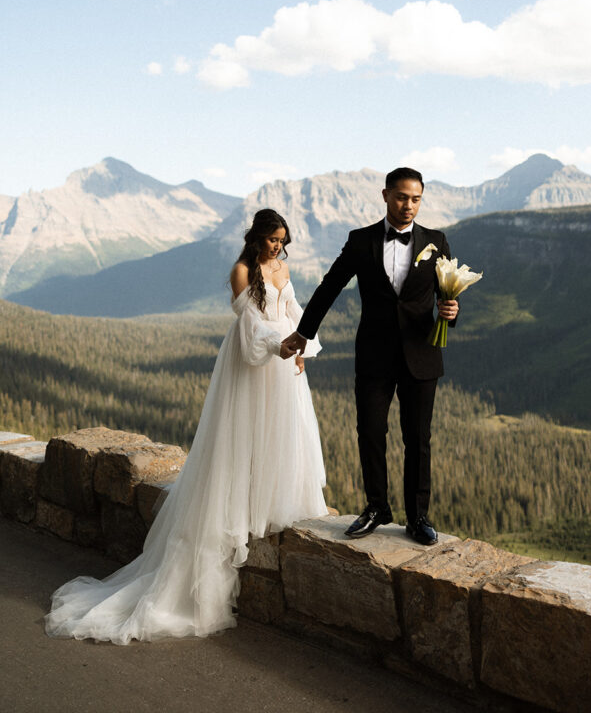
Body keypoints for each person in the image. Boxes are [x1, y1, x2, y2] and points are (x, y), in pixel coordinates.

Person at [44, 209, 327, 643]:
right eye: (271, 239)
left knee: (280, 438)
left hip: (284, 365)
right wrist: (280, 343)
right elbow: (252, 328)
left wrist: (302, 342)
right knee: (240, 438)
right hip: (252, 364)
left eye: (282, 240)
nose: (277, 246)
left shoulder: (283, 268)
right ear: (255, 238)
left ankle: (266, 503)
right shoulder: (241, 271)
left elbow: (292, 310)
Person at [283, 168, 458, 546]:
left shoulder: (437, 240)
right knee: (370, 433)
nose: (408, 206)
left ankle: (418, 517)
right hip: (374, 355)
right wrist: (303, 332)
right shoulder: (360, 241)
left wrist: (452, 312)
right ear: (385, 195)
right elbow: (329, 286)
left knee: (418, 438)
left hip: (421, 356)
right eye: (401, 197)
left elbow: (448, 293)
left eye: (415, 199)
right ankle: (377, 507)